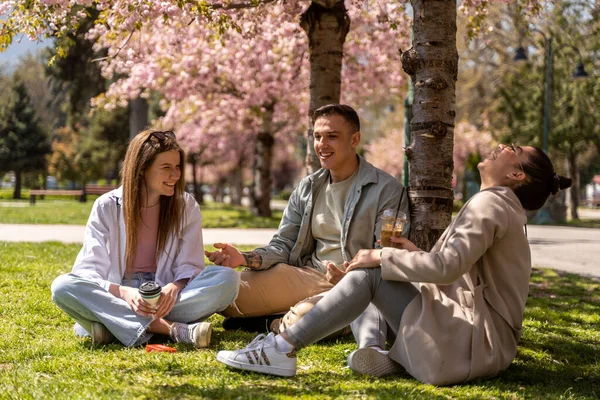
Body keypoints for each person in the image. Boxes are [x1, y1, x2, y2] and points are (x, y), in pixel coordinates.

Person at [216, 143, 572, 385]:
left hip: (468, 345)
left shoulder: (491, 204)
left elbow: (446, 268)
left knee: (372, 270)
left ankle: (281, 349)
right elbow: (458, 271)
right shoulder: (500, 205)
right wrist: (410, 253)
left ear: (517, 175)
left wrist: (383, 255)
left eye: (512, 150)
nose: (501, 147)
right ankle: (376, 350)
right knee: (370, 273)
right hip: (475, 342)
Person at [205, 104, 410, 349]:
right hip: (306, 274)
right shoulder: (308, 187)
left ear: (354, 139)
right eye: (317, 136)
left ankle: (278, 322)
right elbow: (284, 243)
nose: (322, 144)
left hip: (350, 286)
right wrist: (246, 258)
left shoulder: (387, 190)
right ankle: (281, 317)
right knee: (223, 294)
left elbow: (387, 256)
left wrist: (351, 279)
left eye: (332, 137)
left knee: (302, 320)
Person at [51, 130, 240, 348]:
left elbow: (191, 264)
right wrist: (125, 292)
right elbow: (88, 271)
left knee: (227, 279)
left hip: (166, 297)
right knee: (63, 286)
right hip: (120, 292)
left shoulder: (186, 206)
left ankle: (111, 326)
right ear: (142, 169)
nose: (176, 175)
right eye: (166, 168)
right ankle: (171, 329)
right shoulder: (106, 206)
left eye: (177, 167)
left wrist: (174, 287)